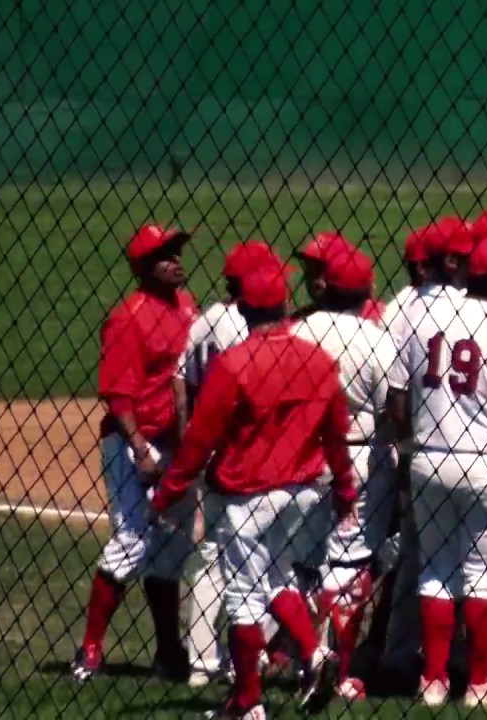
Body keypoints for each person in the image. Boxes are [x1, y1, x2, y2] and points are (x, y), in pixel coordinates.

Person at [150, 265, 358, 718]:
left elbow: (199, 440)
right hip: (303, 494)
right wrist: (344, 488)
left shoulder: (235, 363)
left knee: (244, 595)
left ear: (242, 308)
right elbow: (335, 433)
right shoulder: (318, 360)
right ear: (285, 305)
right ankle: (316, 654)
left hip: (248, 497)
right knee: (278, 577)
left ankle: (247, 703)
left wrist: (168, 493)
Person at [386, 234, 487, 707]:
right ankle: (482, 683)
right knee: (483, 575)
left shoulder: (427, 317)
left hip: (428, 457)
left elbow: (399, 399)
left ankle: (432, 680)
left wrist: (412, 443)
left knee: (434, 570)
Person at [72, 224, 198, 684]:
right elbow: (119, 395)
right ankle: (89, 651)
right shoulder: (129, 318)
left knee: (170, 549)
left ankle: (168, 651)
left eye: (178, 252)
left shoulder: (187, 306)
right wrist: (140, 447)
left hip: (177, 444)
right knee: (132, 540)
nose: (177, 260)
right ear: (144, 267)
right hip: (134, 442)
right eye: (166, 255)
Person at [292, 247, 399, 701]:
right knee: (352, 562)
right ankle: (344, 669)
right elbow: (394, 410)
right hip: (356, 460)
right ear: (369, 290)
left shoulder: (295, 331)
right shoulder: (376, 339)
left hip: (299, 456)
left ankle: (306, 655)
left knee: (303, 558)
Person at [178, 240, 286, 688]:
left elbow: (179, 383)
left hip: (210, 449)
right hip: (244, 453)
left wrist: (191, 439)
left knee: (211, 558)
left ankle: (202, 661)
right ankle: (252, 653)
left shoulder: (203, 321)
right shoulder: (240, 326)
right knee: (263, 556)